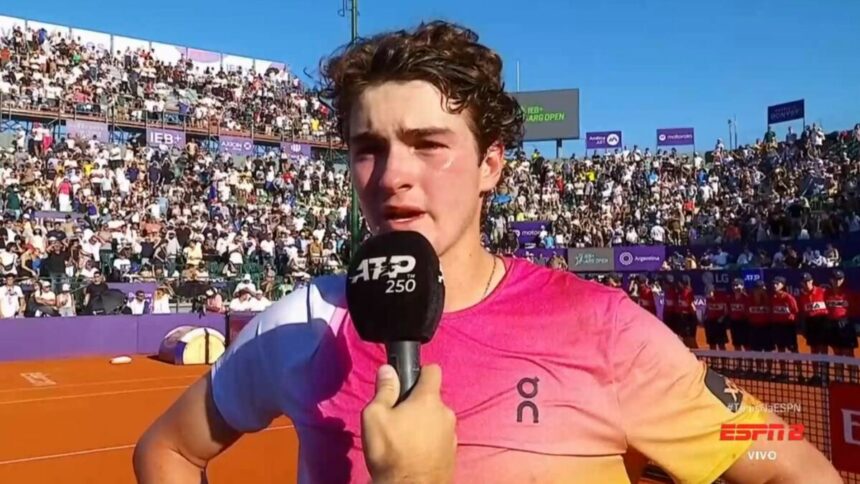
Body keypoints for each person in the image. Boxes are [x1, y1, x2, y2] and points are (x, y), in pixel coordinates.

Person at [133, 20, 840, 484]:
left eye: (429, 144)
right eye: (368, 149)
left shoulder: (603, 326)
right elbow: (166, 449)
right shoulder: (303, 322)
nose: (393, 175)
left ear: (491, 166)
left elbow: (786, 459)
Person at [825, 270, 857, 382]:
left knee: (848, 353)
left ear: (843, 280)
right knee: (837, 353)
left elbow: (854, 309)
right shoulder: (826, 293)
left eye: (840, 279)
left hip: (845, 325)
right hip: (832, 325)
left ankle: (853, 379)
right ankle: (839, 378)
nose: (837, 281)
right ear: (830, 280)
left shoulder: (848, 294)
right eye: (835, 279)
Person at [797, 272, 829, 383]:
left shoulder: (823, 292)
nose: (806, 284)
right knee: (814, 351)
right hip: (811, 324)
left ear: (812, 281)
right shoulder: (802, 296)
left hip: (822, 323)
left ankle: (825, 375)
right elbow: (803, 313)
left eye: (807, 281)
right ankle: (816, 376)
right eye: (803, 282)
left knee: (823, 350)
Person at [768, 276, 800, 380]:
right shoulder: (772, 298)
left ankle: (800, 374)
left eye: (777, 283)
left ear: (783, 285)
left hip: (788, 327)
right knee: (780, 349)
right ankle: (783, 373)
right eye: (774, 283)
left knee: (793, 350)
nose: (775, 285)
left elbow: (795, 311)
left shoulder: (789, 298)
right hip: (777, 327)